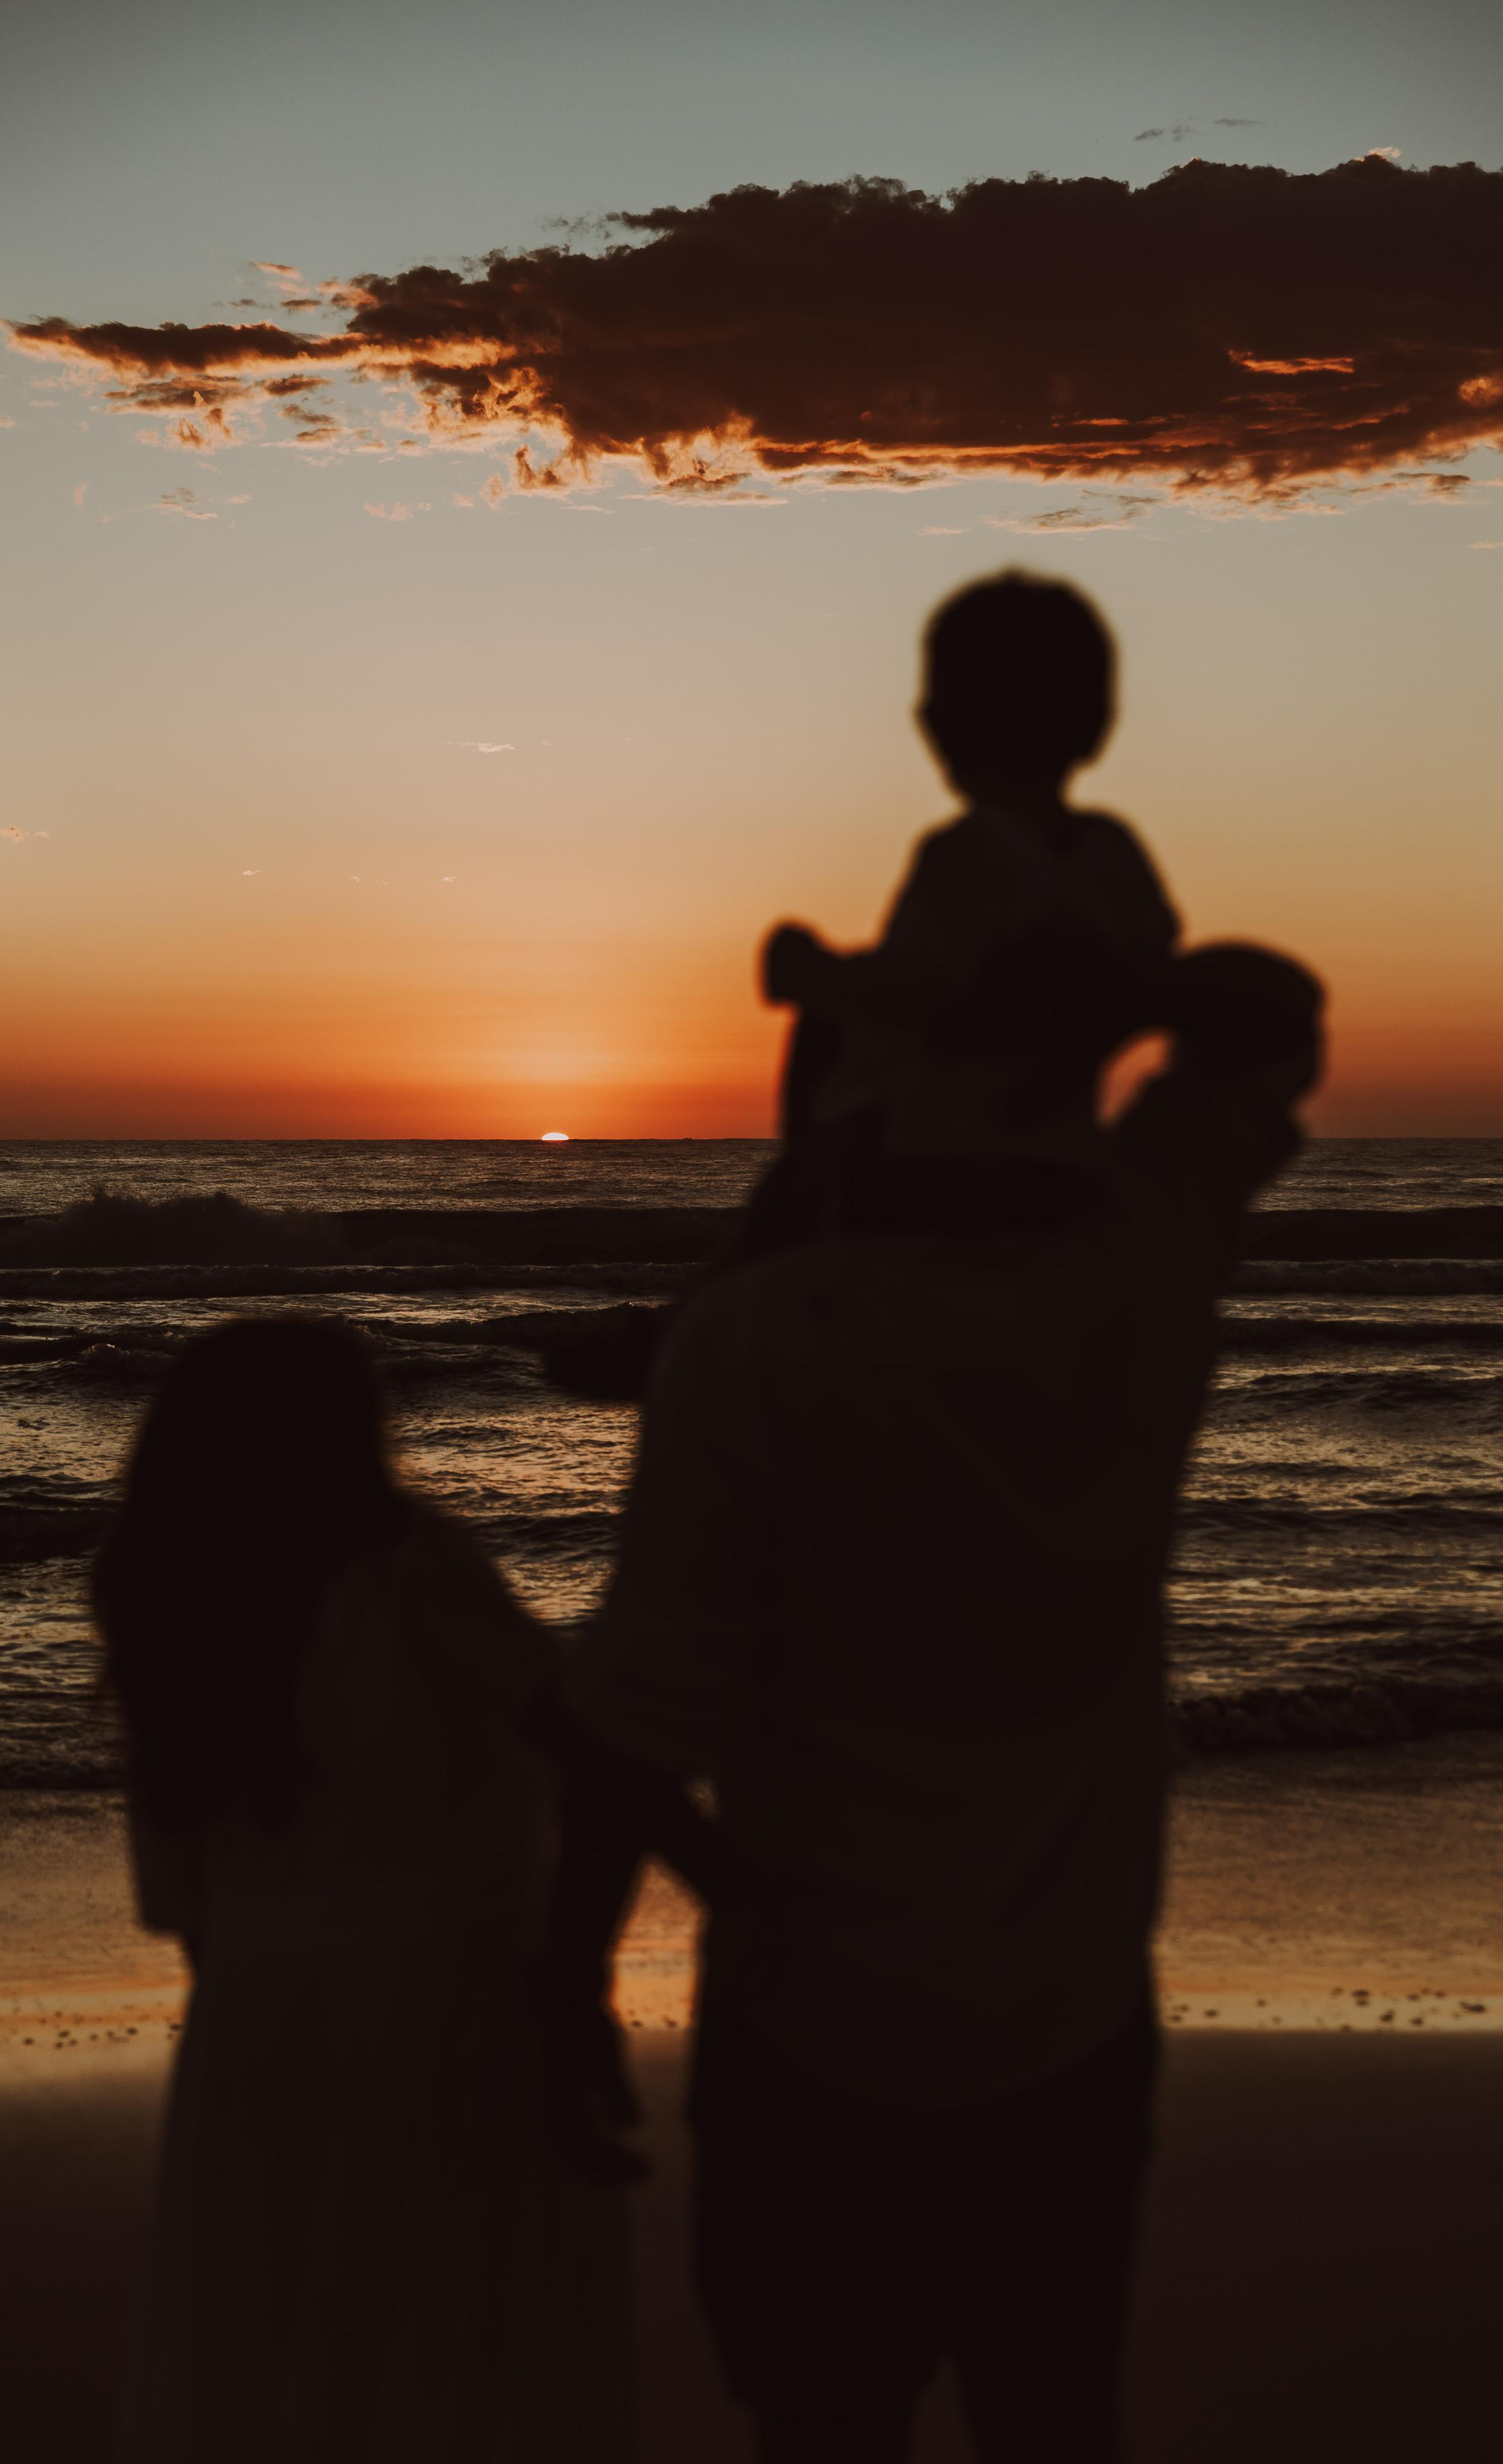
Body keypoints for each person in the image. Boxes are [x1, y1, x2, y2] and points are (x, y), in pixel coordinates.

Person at [543, 941, 1323, 2463]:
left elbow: (638, 1717)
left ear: (823, 1117)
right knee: (1049, 2415)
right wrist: (1057, 996)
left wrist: (562, 1978)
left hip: (808, 2021)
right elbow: (1267, 1015)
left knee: (822, 2420)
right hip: (1064, 2003)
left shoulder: (748, 1344)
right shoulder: (1138, 1278)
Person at [96, 1315, 680, 2464]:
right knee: (458, 2329)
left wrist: (252, 2006)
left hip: (258, 2010)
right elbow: (578, 1733)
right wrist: (713, 1881)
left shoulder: (160, 1594)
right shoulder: (407, 1567)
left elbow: (185, 1886)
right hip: (446, 1994)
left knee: (286, 2335)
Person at [745, 572, 1179, 1257]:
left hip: (931, 1162)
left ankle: (766, 1270)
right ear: (1099, 724)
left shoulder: (971, 851)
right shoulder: (1110, 851)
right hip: (1055, 1143)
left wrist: (811, 975)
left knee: (820, 1033)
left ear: (937, 726)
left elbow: (928, 985)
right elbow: (1152, 963)